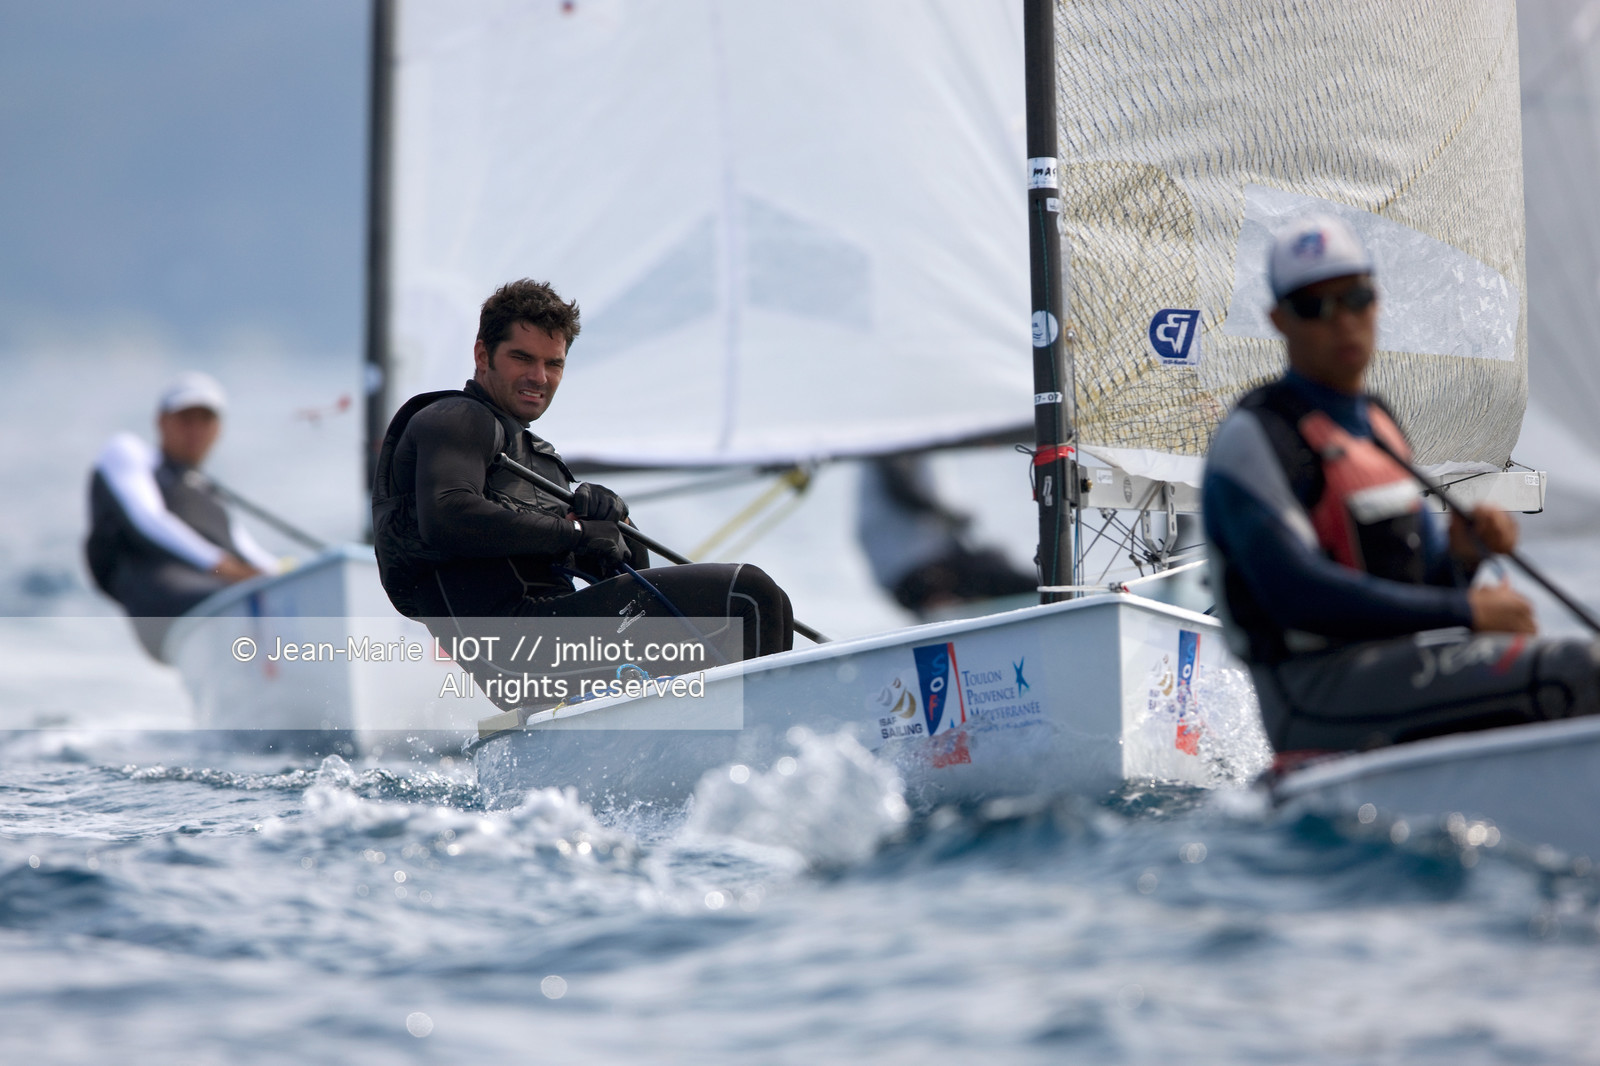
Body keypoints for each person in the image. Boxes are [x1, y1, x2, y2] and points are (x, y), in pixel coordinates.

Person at [1203, 215, 1600, 753]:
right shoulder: (1255, 436)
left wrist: (1462, 560)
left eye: (1356, 298)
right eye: (1313, 307)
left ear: (1377, 301)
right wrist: (1468, 612)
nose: (1341, 320)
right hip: (1310, 700)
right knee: (1579, 670)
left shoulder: (1377, 422)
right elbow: (1295, 595)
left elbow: (1419, 587)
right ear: (1279, 320)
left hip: (1391, 672)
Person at [371, 279, 794, 704]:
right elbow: (448, 515)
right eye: (522, 358)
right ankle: (756, 747)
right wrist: (576, 534)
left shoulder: (539, 460)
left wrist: (617, 528)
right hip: (519, 652)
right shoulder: (456, 419)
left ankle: (724, 740)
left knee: (774, 604)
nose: (538, 377)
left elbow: (627, 578)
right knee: (747, 594)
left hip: (555, 641)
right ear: (483, 355)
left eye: (553, 364)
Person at [86, 372, 281, 658]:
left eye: (205, 421)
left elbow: (252, 556)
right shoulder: (126, 453)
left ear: (218, 429)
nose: (195, 430)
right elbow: (149, 521)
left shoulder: (207, 493)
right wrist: (224, 567)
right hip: (158, 606)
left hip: (210, 602)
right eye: (185, 419)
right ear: (161, 421)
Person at [857, 453, 1036, 614]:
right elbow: (902, 488)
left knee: (993, 558)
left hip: (914, 576)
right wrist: (951, 515)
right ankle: (1055, 595)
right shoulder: (898, 442)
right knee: (998, 570)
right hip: (917, 575)